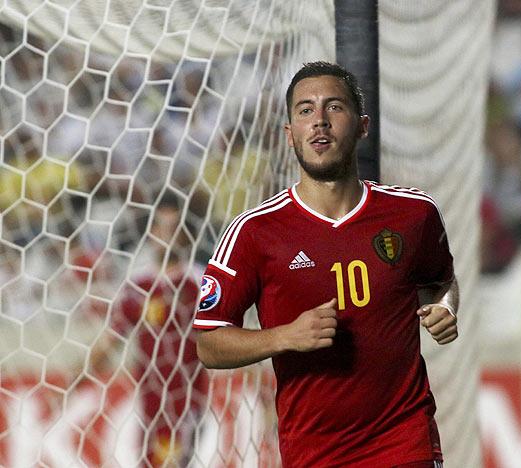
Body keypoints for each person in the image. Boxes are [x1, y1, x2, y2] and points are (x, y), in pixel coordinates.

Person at [193, 61, 459, 467]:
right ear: (289, 134)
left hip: (406, 443)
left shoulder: (413, 214)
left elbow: (441, 281)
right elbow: (209, 343)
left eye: (334, 107)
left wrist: (446, 307)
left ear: (362, 125)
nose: (319, 121)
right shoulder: (254, 232)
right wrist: (283, 337)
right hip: (315, 455)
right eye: (305, 110)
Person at [92, 194, 208, 467]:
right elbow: (112, 339)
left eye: (174, 228)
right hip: (147, 401)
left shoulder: (200, 281)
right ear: (152, 232)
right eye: (161, 227)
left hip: (187, 399)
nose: (167, 235)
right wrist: (75, 381)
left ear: (186, 235)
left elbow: (225, 333)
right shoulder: (138, 284)